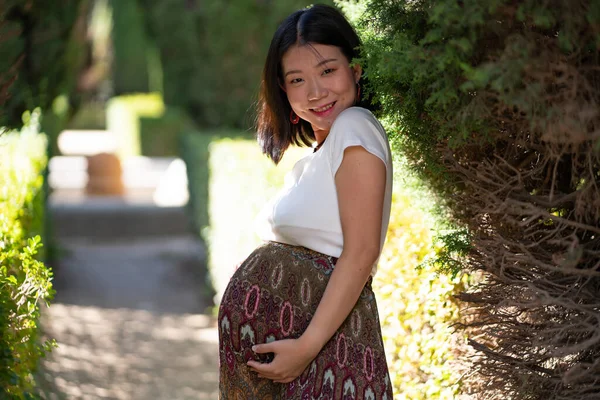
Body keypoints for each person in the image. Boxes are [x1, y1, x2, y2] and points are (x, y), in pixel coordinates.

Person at [218, 4, 394, 399]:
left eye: (328, 70)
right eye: (297, 79)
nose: (315, 92)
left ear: (356, 69)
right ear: (283, 89)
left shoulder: (354, 127)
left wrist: (305, 347)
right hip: (299, 362)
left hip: (321, 355)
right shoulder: (320, 153)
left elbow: (361, 252)